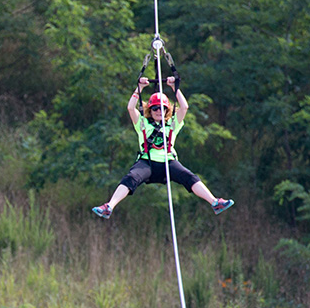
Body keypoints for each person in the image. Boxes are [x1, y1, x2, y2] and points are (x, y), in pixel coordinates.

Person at [92, 76, 234, 219]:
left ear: (167, 110)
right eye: (155, 108)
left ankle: (215, 202)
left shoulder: (173, 124)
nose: (159, 111)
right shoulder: (142, 123)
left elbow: (184, 107)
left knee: (189, 177)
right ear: (150, 110)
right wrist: (139, 88)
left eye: (162, 108)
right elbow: (130, 108)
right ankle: (109, 206)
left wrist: (175, 87)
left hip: (168, 162)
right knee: (131, 178)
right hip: (147, 162)